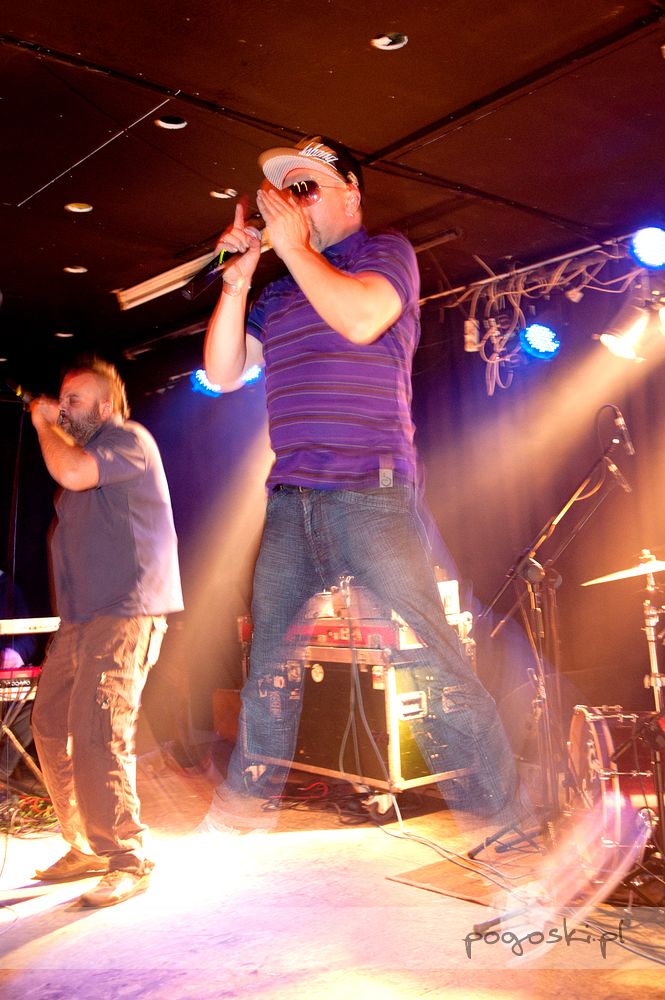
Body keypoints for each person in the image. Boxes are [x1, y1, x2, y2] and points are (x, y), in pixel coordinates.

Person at [203, 135, 518, 825]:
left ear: (350, 195)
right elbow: (222, 373)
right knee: (267, 667)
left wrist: (292, 248)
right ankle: (240, 812)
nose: (291, 203)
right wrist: (236, 281)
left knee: (434, 659)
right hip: (291, 499)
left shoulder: (385, 254)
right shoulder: (279, 292)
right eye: (284, 192)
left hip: (370, 493)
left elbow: (362, 318)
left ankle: (504, 816)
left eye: (305, 188)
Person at [29, 358, 183, 906]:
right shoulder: (86, 457)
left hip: (125, 611)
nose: (63, 408)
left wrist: (43, 423)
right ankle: (86, 844)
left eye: (74, 400)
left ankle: (127, 856)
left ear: (106, 406)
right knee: (49, 723)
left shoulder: (128, 440)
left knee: (98, 728)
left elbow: (71, 471)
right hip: (82, 619)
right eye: (61, 398)